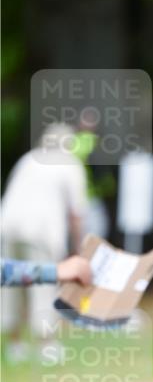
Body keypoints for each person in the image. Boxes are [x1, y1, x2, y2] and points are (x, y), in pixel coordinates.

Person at [1, 122, 88, 360]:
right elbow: (76, 213)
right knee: (44, 284)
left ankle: (14, 345)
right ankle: (45, 345)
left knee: (12, 284)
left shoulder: (28, 159)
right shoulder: (70, 164)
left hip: (8, 227)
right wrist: (78, 249)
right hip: (42, 231)